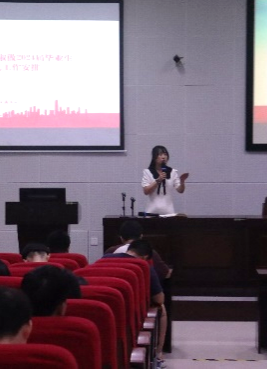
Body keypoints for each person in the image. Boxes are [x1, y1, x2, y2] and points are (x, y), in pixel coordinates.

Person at [102, 239, 168, 367]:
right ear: (145, 257)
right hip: (130, 317)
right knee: (161, 308)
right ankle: (158, 355)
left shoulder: (104, 259)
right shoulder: (144, 267)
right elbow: (159, 299)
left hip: (103, 311)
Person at [104, 219, 172, 281]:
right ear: (141, 236)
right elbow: (165, 274)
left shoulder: (110, 251)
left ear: (121, 238)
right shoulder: (148, 252)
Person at [141, 145, 189, 215]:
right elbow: (146, 191)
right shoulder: (147, 172)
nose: (163, 157)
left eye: (165, 154)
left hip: (168, 212)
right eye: (160, 155)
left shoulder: (172, 172)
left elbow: (180, 190)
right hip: (152, 212)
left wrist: (182, 181)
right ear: (154, 157)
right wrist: (158, 180)